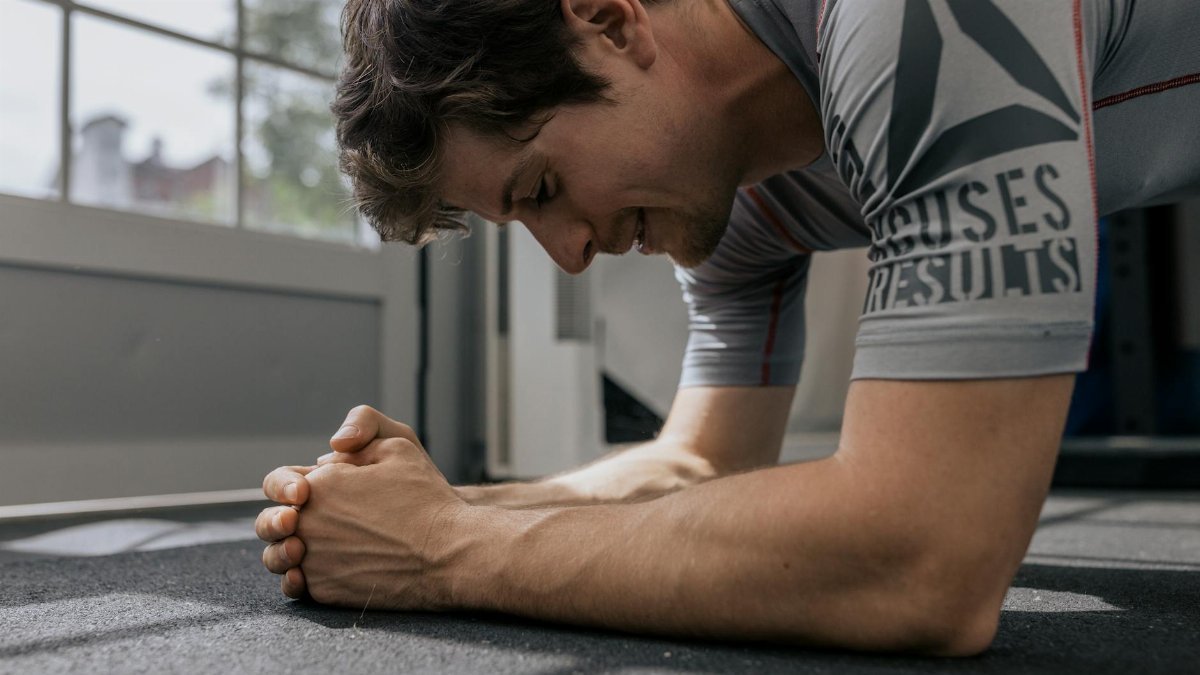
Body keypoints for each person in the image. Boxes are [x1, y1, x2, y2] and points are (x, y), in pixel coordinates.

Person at [255, 0, 1200, 655]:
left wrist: (440, 553)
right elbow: (700, 465)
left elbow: (927, 558)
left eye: (542, 188)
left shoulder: (908, 26)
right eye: (526, 221)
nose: (571, 254)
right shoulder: (730, 203)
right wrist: (437, 506)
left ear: (609, 22)